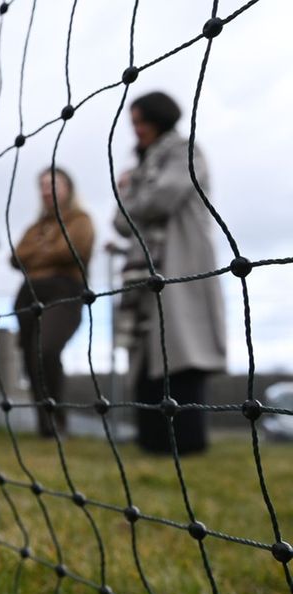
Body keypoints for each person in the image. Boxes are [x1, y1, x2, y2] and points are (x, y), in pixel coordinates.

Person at [113, 91, 226, 455]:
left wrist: (132, 194)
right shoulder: (141, 165)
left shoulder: (184, 151)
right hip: (144, 271)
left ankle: (187, 442)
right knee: (147, 352)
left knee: (181, 346)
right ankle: (152, 439)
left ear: (159, 118)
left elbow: (164, 197)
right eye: (133, 123)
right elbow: (120, 222)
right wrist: (132, 195)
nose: (136, 130)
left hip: (180, 261)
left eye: (140, 121)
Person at [11, 168, 95, 437]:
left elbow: (72, 250)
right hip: (28, 295)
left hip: (65, 291)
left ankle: (58, 420)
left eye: (53, 184)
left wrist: (38, 253)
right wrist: (48, 249)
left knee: (45, 349)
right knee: (30, 358)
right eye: (43, 185)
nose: (47, 190)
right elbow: (15, 257)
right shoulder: (35, 227)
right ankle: (45, 425)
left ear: (68, 187)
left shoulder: (80, 220)